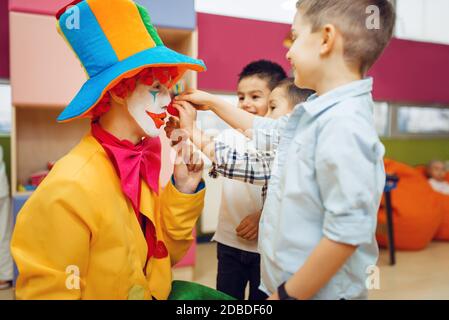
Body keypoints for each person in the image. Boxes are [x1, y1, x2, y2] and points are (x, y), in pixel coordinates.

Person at [175, 0, 396, 300]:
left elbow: (346, 234)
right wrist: (212, 103)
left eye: (295, 37)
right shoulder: (316, 111)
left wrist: (288, 295)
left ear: (327, 40)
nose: (288, 51)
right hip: (279, 281)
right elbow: (265, 131)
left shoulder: (345, 125)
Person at [11, 0, 206, 300]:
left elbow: (163, 258)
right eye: (157, 87)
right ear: (117, 89)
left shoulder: (143, 162)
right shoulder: (69, 187)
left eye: (169, 87)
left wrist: (184, 186)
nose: (169, 100)